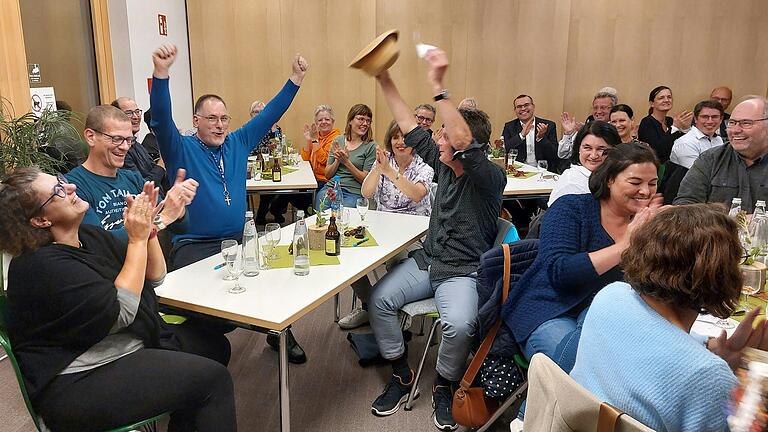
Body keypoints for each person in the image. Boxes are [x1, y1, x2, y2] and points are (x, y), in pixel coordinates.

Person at [0, 168, 235, 431]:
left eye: (63, 182)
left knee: (214, 347)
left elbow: (154, 276)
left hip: (117, 347)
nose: (71, 188)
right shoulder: (39, 265)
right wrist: (136, 240)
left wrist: (149, 230)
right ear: (41, 220)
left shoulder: (89, 238)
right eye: (58, 191)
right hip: (78, 380)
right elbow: (122, 312)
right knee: (213, 380)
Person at [149, 43, 309, 364]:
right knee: (213, 310)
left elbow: (269, 115)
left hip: (237, 240)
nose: (220, 124)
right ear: (196, 120)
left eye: (224, 118)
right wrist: (161, 75)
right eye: (211, 119)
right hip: (194, 246)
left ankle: (279, 333)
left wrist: (295, 79)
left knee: (274, 282)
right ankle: (200, 353)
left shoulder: (237, 142)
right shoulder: (180, 148)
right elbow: (162, 119)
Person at [372, 49, 506, 430]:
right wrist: (383, 78)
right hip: (428, 260)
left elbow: (461, 137)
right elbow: (407, 123)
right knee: (380, 300)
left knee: (460, 324)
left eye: (443, 134)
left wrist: (439, 87)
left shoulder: (490, 179)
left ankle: (444, 384)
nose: (436, 138)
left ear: (467, 146)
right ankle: (400, 373)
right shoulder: (444, 164)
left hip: (462, 271)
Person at [570, 204, 768, 431]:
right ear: (720, 275)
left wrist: (710, 348)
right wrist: (755, 382)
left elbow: (655, 342)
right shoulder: (707, 377)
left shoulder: (611, 296)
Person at [503, 142, 661, 373]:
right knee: (583, 368)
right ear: (609, 180)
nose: (646, 192)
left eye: (653, 184)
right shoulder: (572, 208)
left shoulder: (647, 224)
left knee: (643, 364)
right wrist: (625, 245)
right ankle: (532, 410)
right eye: (635, 182)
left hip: (604, 317)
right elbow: (561, 273)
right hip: (550, 309)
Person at [338, 121, 434, 330]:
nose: (400, 142)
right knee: (348, 255)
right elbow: (366, 193)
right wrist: (378, 168)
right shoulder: (384, 160)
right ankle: (370, 306)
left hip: (414, 235)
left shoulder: (424, 166)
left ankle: (385, 308)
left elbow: (417, 195)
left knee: (397, 260)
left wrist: (389, 171)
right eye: (395, 137)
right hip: (382, 229)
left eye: (405, 137)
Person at [66, 105, 196, 244]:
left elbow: (181, 227)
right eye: (116, 139)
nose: (125, 147)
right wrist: (162, 219)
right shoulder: (73, 186)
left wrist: (177, 205)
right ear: (91, 137)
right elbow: (102, 244)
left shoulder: (133, 179)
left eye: (129, 140)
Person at [674, 96, 768, 213]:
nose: (735, 130)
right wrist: (727, 222)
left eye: (746, 123)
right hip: (717, 230)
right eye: (732, 123)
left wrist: (759, 221)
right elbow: (685, 206)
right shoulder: (710, 160)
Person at [547, 121, 620, 206]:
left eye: (601, 149)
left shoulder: (614, 175)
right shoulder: (572, 183)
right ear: (578, 149)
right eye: (587, 148)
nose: (593, 155)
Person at [318, 104, 377, 209]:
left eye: (368, 121)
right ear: (350, 121)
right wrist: (337, 160)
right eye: (361, 119)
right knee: (321, 208)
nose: (365, 123)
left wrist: (346, 162)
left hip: (354, 193)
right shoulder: (338, 140)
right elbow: (327, 175)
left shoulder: (371, 146)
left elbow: (365, 179)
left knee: (342, 214)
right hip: (332, 187)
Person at [111, 97, 167, 188]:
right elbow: (140, 187)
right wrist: (161, 163)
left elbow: (160, 181)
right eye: (129, 113)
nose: (136, 117)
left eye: (137, 112)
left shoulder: (138, 146)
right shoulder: (120, 151)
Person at [502, 95, 564, 173]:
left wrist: (541, 138)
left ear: (533, 106)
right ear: (515, 110)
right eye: (519, 106)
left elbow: (554, 155)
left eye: (526, 105)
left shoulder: (548, 125)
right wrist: (521, 135)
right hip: (518, 171)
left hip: (542, 171)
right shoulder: (509, 126)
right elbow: (504, 150)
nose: (523, 109)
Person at [249, 99, 286, 224]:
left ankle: (268, 212)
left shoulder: (275, 128)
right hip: (253, 165)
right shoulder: (247, 129)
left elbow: (277, 147)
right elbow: (251, 150)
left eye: (262, 112)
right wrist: (264, 149)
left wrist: (273, 130)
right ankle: (261, 213)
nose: (259, 114)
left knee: (279, 184)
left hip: (271, 164)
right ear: (251, 115)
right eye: (256, 112)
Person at [637, 86, 692, 163]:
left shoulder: (670, 121)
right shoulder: (647, 122)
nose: (666, 100)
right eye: (661, 98)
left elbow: (682, 145)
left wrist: (686, 128)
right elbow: (657, 151)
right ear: (652, 103)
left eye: (669, 97)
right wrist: (675, 127)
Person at [558, 90, 618, 159]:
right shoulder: (585, 129)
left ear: (613, 109)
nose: (598, 111)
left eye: (603, 108)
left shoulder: (618, 130)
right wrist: (569, 133)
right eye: (595, 108)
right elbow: (563, 155)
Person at [670, 100, 725, 169]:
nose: (710, 121)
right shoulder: (685, 143)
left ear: (721, 119)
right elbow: (697, 175)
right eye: (705, 117)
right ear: (695, 119)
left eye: (714, 117)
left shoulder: (718, 140)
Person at [301, 104, 341, 190]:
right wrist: (308, 140)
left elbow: (324, 160)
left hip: (325, 181)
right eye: (320, 120)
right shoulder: (316, 135)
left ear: (332, 122)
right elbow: (305, 158)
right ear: (316, 123)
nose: (323, 122)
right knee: (286, 192)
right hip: (311, 178)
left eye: (327, 119)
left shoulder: (336, 138)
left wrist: (315, 140)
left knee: (291, 195)